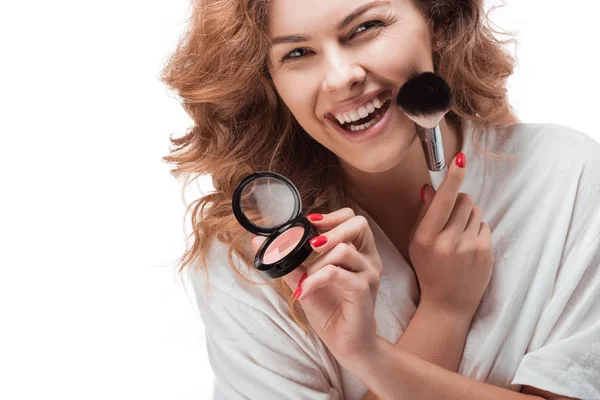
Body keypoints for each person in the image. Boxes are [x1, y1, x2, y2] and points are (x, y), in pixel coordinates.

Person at [161, 0, 600, 398]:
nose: (341, 77)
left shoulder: (570, 177)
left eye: (365, 28)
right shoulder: (252, 258)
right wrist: (440, 314)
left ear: (439, 20)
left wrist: (376, 354)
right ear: (268, 83)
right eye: (296, 53)